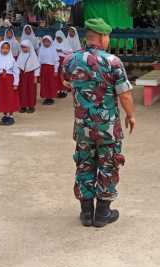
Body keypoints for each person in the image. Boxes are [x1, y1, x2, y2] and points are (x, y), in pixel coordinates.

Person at [61, 18, 135, 228]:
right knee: (108, 164)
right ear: (102, 36)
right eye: (108, 36)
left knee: (84, 164)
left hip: (83, 127)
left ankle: (86, 214)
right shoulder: (112, 62)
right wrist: (131, 115)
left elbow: (65, 81)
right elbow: (125, 95)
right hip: (107, 129)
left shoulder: (70, 60)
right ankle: (102, 213)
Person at [0, 40, 20, 126]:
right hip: (1, 82)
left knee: (10, 98)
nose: (5, 50)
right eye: (3, 48)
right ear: (0, 49)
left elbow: (16, 72)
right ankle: (5, 114)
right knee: (2, 98)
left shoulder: (12, 60)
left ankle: (10, 116)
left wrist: (16, 83)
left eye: (7, 48)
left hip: (9, 81)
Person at [17, 39, 40, 113]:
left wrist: (36, 77)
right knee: (22, 90)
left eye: (26, 47)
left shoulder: (33, 56)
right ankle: (23, 105)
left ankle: (31, 106)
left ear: (29, 47)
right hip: (22, 76)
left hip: (31, 76)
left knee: (31, 90)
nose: (24, 49)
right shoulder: (20, 55)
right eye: (23, 47)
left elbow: (36, 67)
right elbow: (18, 66)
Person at [38, 35, 59, 105]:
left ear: (51, 42)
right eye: (44, 42)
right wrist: (38, 71)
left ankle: (50, 97)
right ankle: (46, 96)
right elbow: (39, 61)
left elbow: (56, 61)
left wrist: (56, 70)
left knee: (50, 83)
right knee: (44, 83)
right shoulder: (41, 49)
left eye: (48, 42)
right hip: (43, 69)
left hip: (51, 68)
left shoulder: (53, 50)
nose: (46, 43)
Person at [54, 30, 71, 98]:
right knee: (57, 76)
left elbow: (70, 51)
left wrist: (62, 50)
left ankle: (64, 90)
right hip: (56, 62)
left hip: (64, 61)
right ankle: (58, 90)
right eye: (57, 38)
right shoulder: (54, 43)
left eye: (60, 38)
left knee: (64, 75)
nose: (58, 39)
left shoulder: (66, 42)